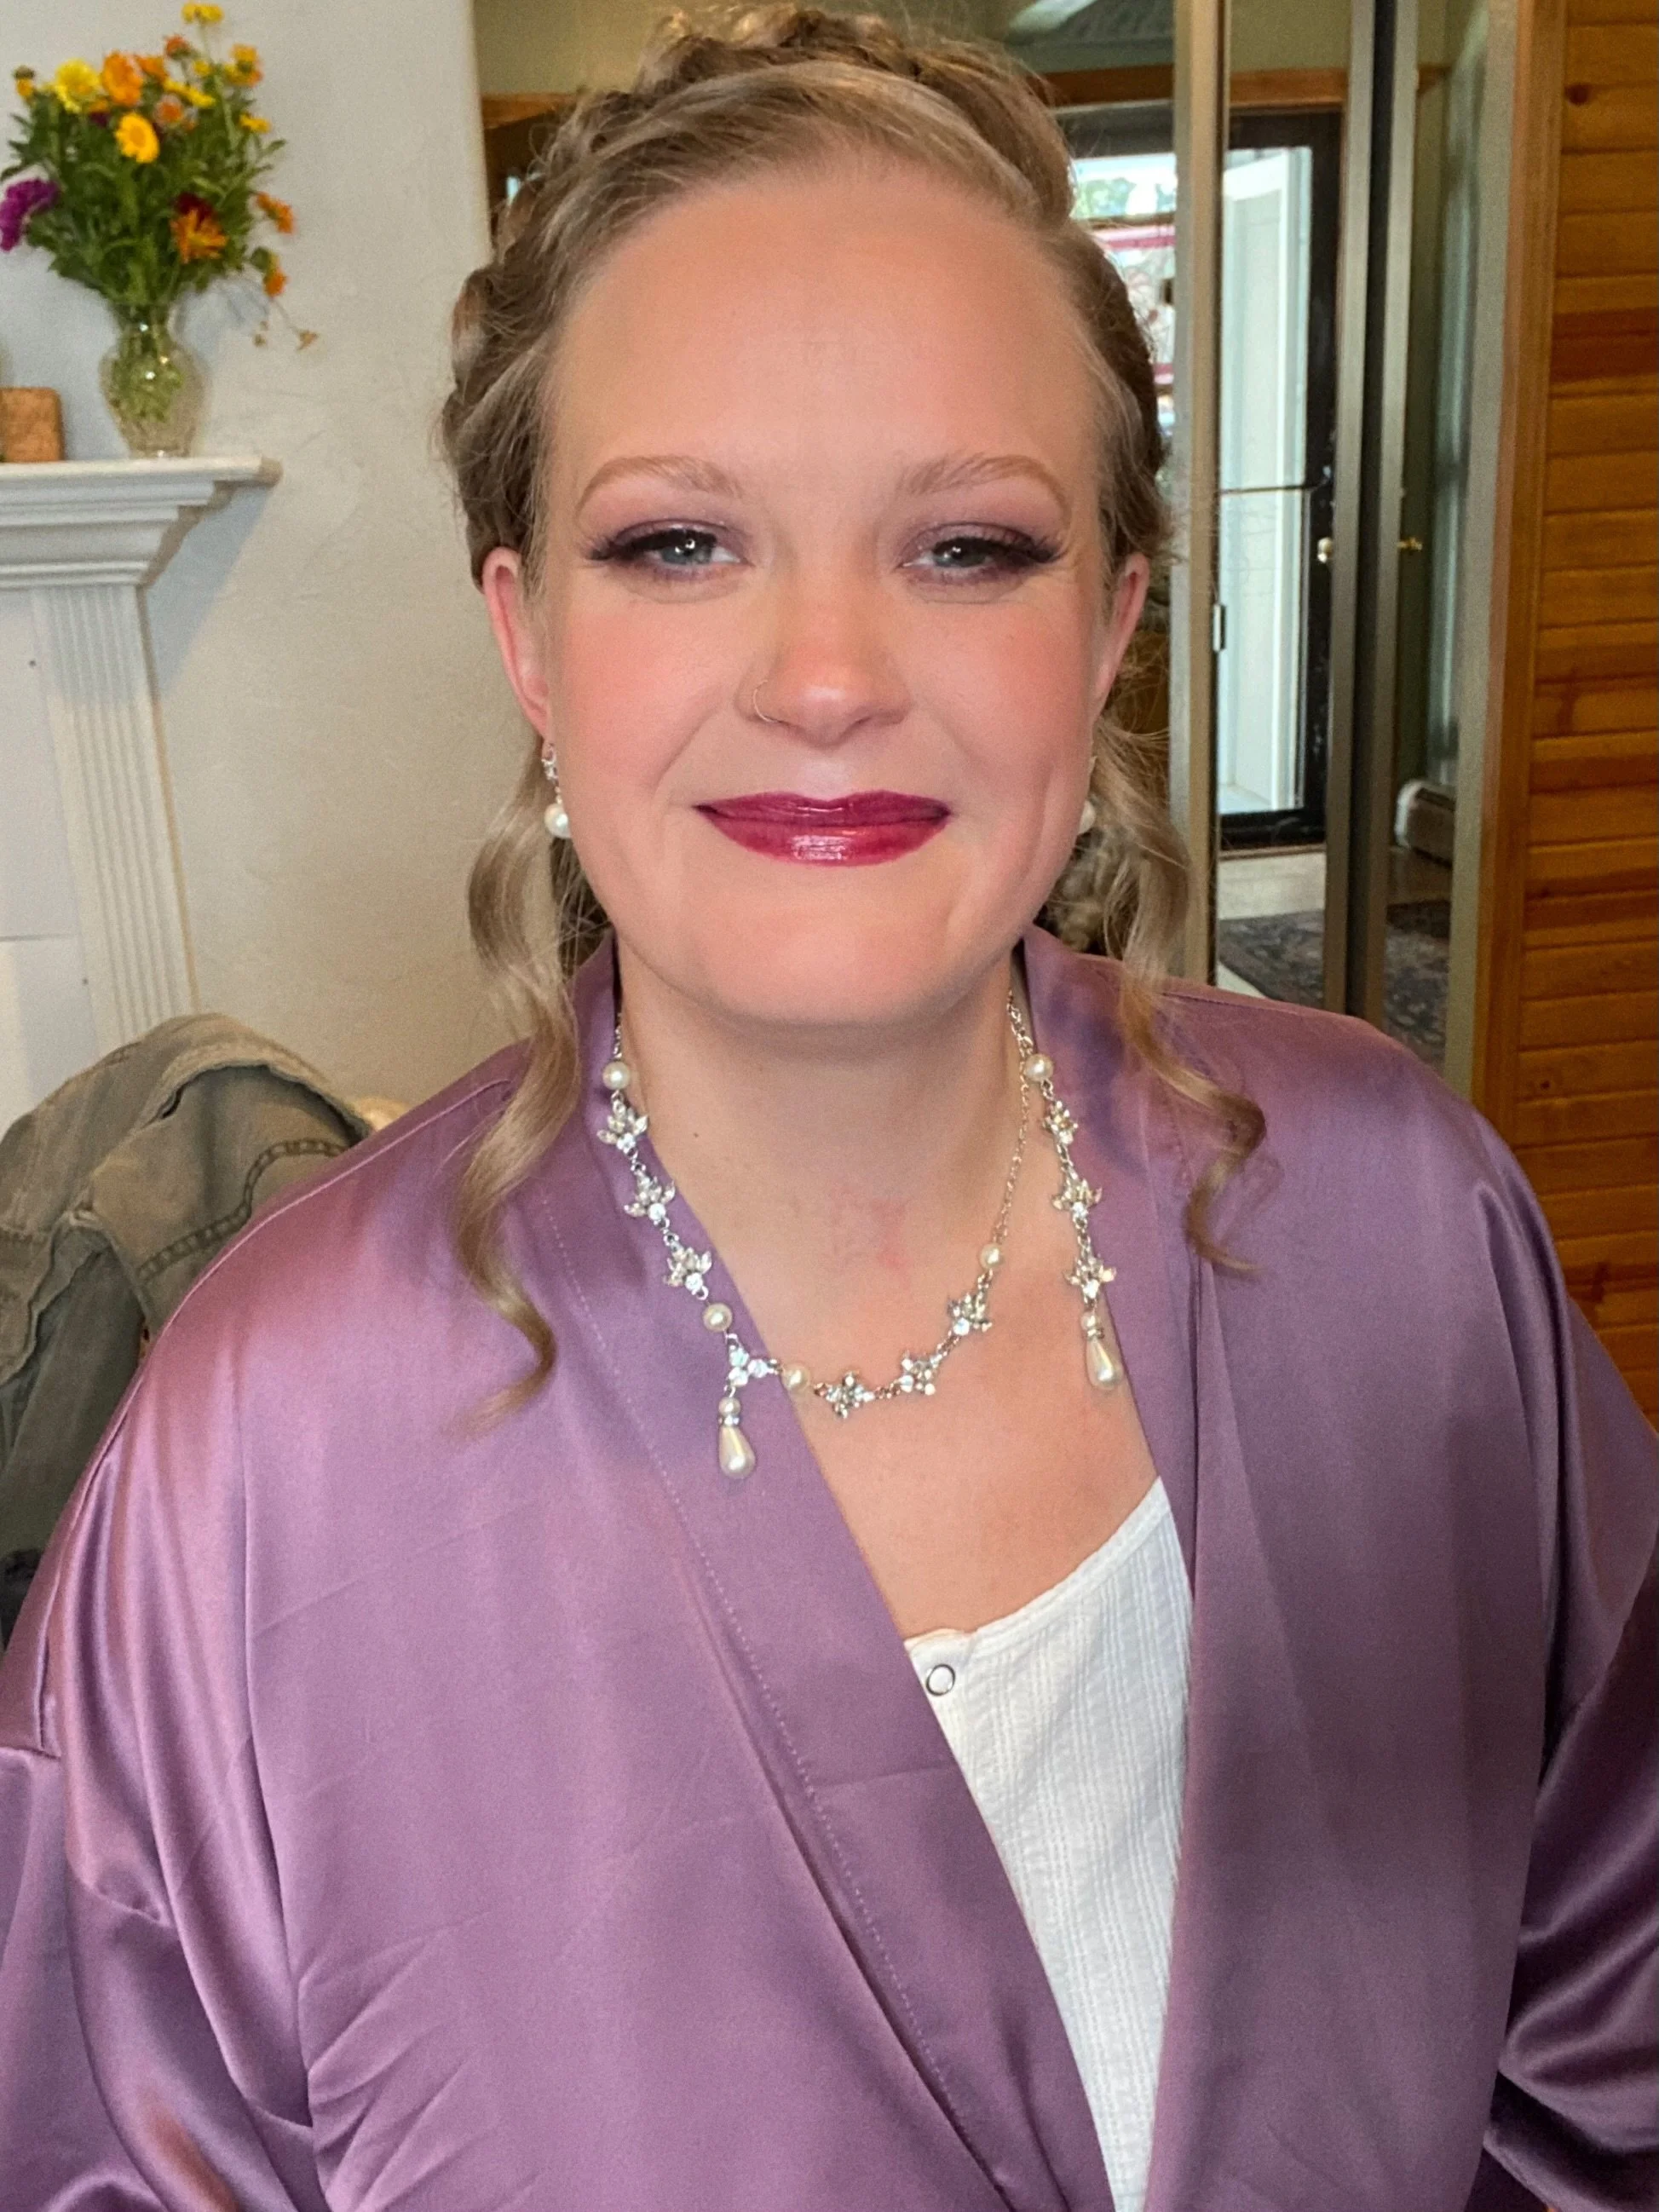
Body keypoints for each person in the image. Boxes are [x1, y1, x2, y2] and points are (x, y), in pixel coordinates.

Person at [0, 9, 1652, 2209]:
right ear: (525, 638)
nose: (830, 672)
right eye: (680, 543)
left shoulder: (1406, 1237)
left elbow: (1607, 2022)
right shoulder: (254, 1472)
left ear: (1114, 622)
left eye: (968, 544)